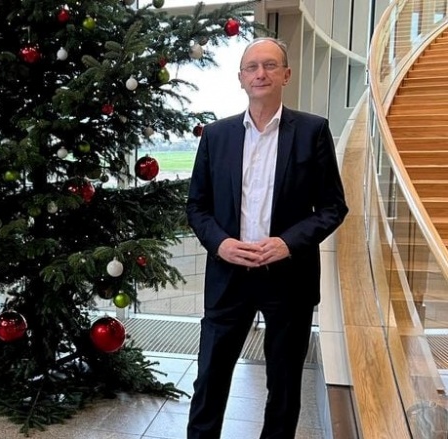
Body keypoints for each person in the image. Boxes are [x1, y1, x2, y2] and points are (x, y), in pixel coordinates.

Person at [185, 37, 348, 439]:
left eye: (270, 66)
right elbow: (197, 206)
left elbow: (332, 207)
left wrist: (286, 243)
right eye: (252, 67)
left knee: (285, 385)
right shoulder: (216, 135)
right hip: (229, 276)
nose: (261, 73)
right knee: (209, 380)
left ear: (286, 75)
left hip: (288, 277)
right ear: (241, 78)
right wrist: (221, 243)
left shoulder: (313, 131)